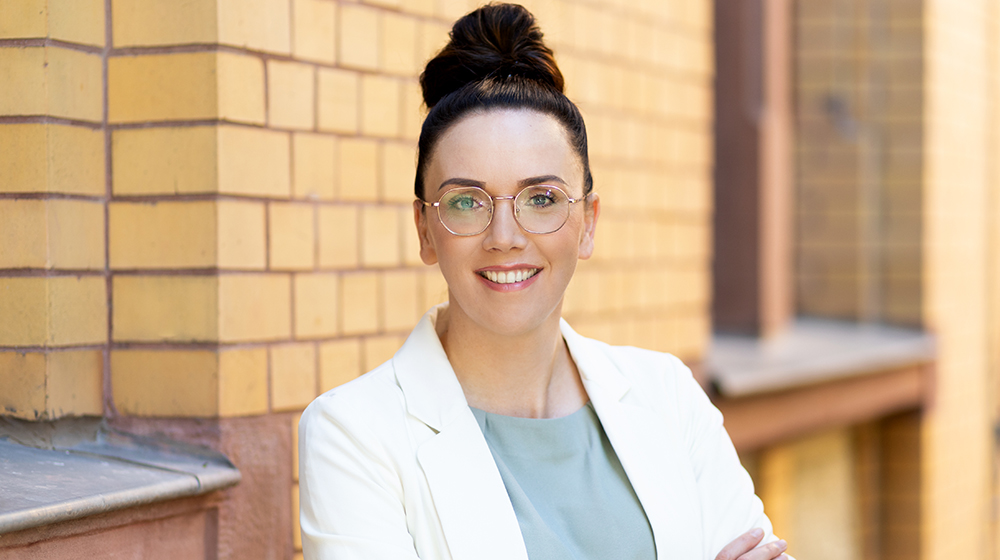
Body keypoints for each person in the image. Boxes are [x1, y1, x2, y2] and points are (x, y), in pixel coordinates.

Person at [298, 4, 791, 560]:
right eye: (467, 201)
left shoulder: (668, 396)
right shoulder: (354, 436)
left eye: (541, 199)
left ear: (588, 223)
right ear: (426, 229)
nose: (505, 236)